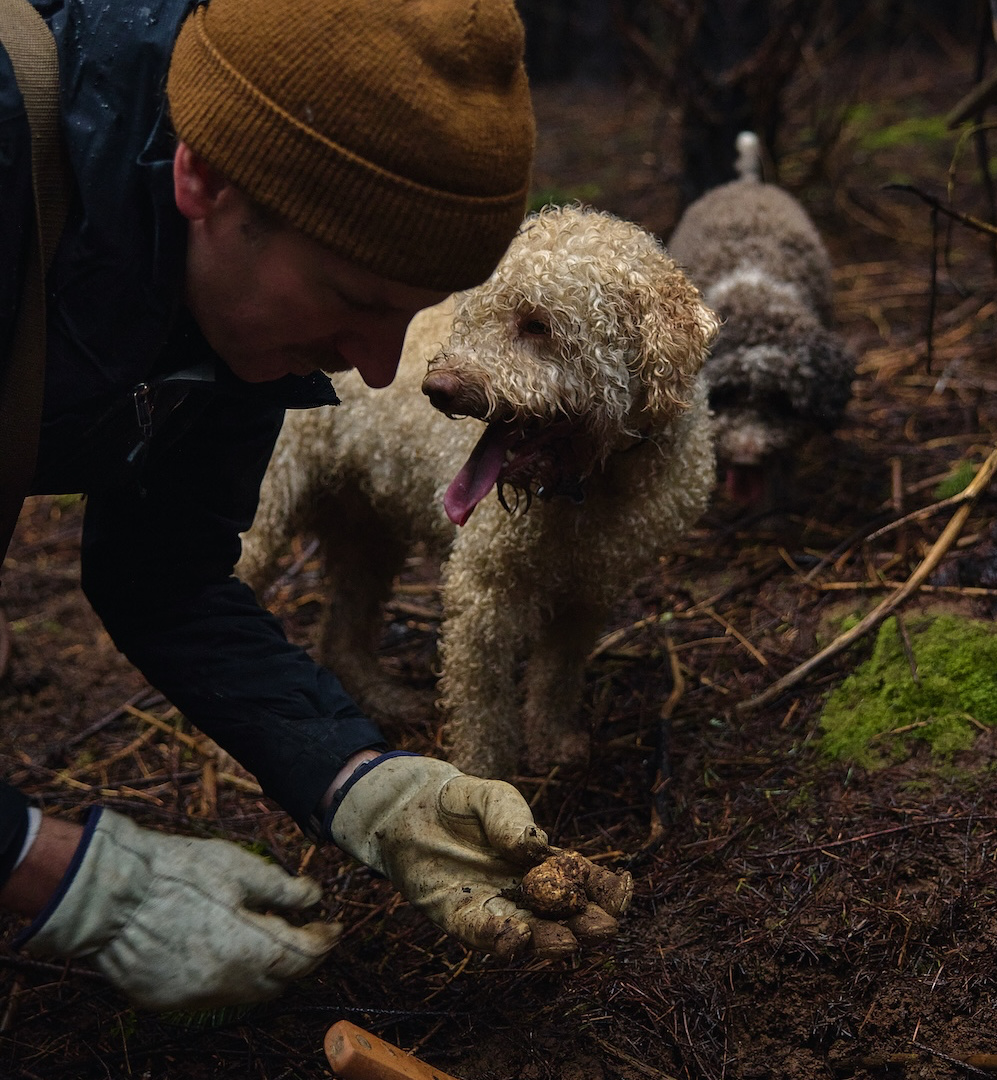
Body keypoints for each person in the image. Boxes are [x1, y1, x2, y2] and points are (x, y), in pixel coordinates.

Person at [0, 0, 629, 1011]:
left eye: (410, 314)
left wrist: (362, 781)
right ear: (201, 175)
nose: (380, 372)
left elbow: (162, 577)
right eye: (356, 298)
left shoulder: (238, 287)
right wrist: (61, 872)